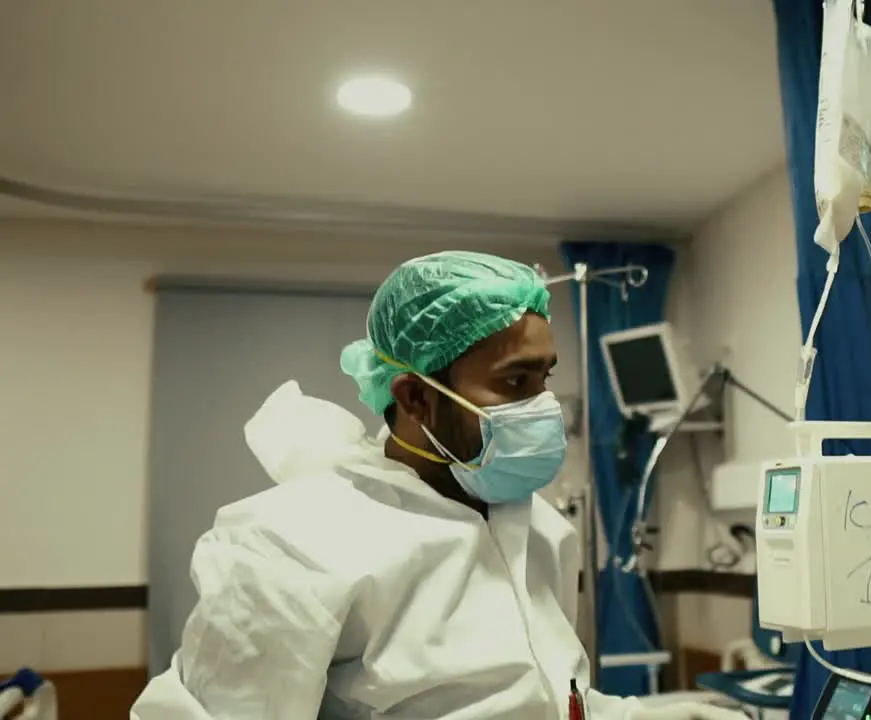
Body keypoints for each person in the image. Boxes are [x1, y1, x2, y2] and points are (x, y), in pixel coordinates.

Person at [131, 251, 741, 720]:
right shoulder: (291, 542)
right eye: (514, 383)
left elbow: (543, 696)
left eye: (545, 379)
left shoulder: (536, 527)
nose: (544, 407)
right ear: (416, 397)